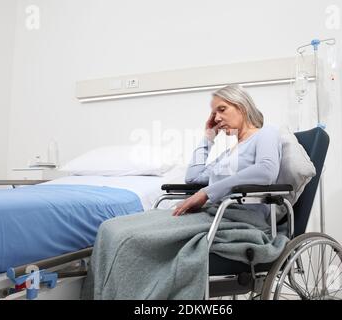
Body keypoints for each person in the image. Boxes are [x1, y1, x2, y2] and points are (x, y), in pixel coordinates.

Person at [82, 84, 286, 300]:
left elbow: (266, 170)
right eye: (214, 112)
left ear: (242, 107)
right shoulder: (230, 152)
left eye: (222, 109)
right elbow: (193, 177)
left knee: (129, 238)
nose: (216, 117)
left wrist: (207, 193)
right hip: (212, 213)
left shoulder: (266, 133)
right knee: (110, 227)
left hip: (238, 217)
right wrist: (208, 137)